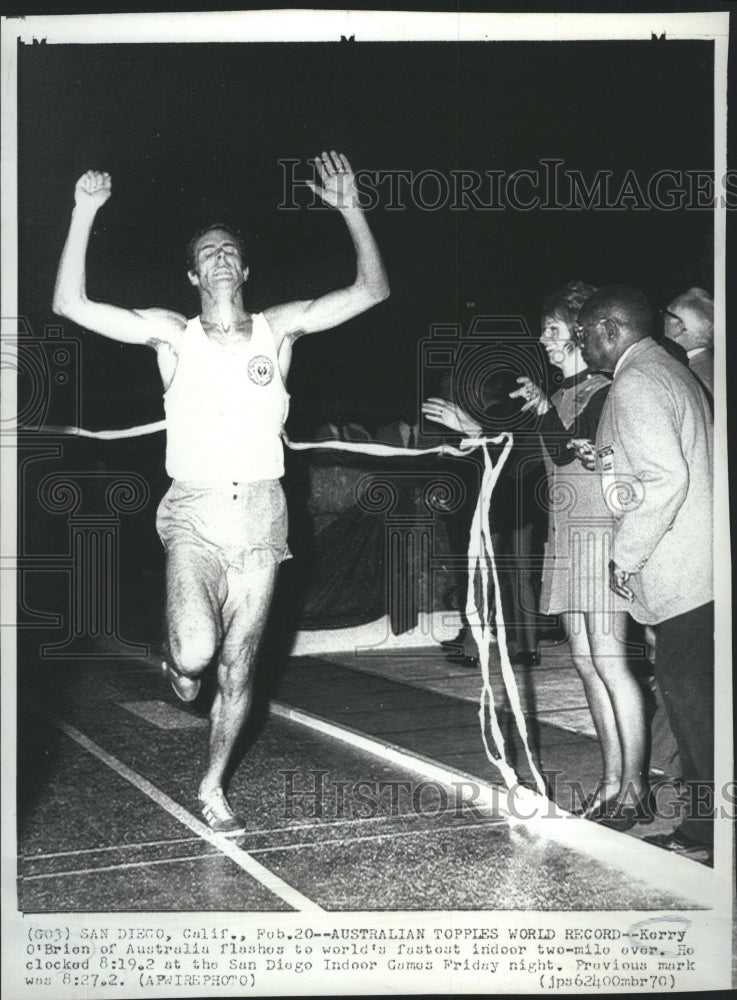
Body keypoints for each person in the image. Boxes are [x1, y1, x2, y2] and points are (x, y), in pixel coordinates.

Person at [53, 153, 389, 834]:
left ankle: (212, 786)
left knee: (240, 666)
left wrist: (350, 206)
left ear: (243, 270)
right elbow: (70, 305)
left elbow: (370, 291)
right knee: (197, 655)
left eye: (229, 252)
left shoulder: (278, 327)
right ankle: (178, 667)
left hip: (262, 514)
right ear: (192, 275)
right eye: (207, 255)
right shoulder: (172, 335)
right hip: (196, 512)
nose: (220, 260)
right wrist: (83, 214)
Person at [576, 284, 714, 864]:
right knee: (695, 701)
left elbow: (664, 480)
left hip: (682, 572)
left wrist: (624, 558)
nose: (582, 343)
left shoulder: (635, 382)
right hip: (701, 568)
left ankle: (709, 834)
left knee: (691, 704)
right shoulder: (667, 369)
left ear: (609, 330)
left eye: (584, 333)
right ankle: (706, 828)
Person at [509, 281, 649, 829]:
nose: (543, 338)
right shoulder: (560, 393)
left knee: (612, 665)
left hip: (600, 535)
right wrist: (473, 427)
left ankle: (636, 790)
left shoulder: (605, 387)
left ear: (581, 329)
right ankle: (612, 783)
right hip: (566, 539)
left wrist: (544, 410)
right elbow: (540, 454)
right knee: (587, 664)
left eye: (553, 328)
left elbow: (574, 445)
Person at [422, 370, 545, 669]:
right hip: (522, 503)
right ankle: (528, 648)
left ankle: (472, 648)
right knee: (521, 576)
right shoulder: (520, 413)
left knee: (480, 574)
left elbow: (472, 463)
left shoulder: (478, 418)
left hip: (491, 503)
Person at [661, 287, 714, 402]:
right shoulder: (707, 365)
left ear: (679, 327)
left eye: (667, 313)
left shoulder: (693, 376)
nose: (663, 317)